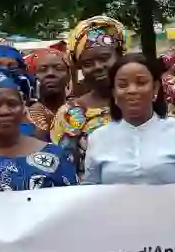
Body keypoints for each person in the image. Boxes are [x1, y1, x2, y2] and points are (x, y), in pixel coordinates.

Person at [83, 53, 175, 185]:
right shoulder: (98, 138)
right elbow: (91, 189)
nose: (132, 90)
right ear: (114, 93)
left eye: (141, 83)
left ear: (155, 88)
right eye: (123, 85)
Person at [51, 16, 126, 171]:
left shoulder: (144, 104)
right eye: (88, 63)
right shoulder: (69, 115)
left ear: (119, 56)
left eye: (104, 58)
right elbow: (62, 168)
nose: (97, 67)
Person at [25, 47, 71, 137]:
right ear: (33, 76)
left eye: (59, 68)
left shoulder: (79, 109)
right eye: (42, 69)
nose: (50, 73)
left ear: (68, 76)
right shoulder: (26, 117)